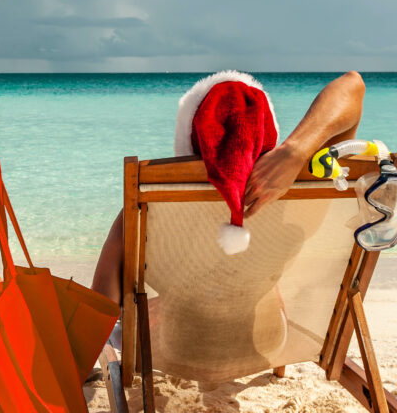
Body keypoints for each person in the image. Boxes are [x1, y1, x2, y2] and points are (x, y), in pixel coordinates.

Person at [90, 70, 366, 305]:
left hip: (171, 344)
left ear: (187, 138)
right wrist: (295, 152)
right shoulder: (295, 203)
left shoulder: (145, 215)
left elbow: (102, 314)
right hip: (267, 343)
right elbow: (353, 85)